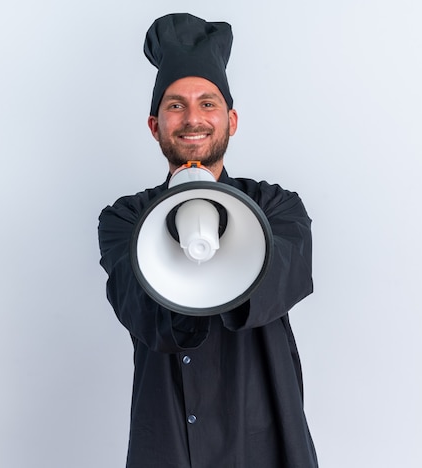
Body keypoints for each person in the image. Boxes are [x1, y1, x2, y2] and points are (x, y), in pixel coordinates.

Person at [98, 13, 319, 468]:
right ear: (154, 124)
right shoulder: (125, 219)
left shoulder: (278, 209)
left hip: (266, 434)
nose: (192, 118)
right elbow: (140, 311)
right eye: (175, 105)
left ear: (231, 120)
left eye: (208, 103)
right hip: (169, 439)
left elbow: (282, 281)